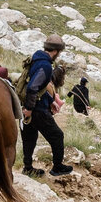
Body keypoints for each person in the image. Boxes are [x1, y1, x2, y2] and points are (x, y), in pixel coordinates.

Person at [20, 34, 72, 178]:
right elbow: (33, 87)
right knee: (57, 135)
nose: (58, 54)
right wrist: (30, 110)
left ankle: (28, 167)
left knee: (29, 137)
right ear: (55, 51)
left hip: (27, 106)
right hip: (36, 109)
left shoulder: (36, 58)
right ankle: (57, 167)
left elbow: (40, 87)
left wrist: (51, 101)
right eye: (59, 52)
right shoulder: (45, 65)